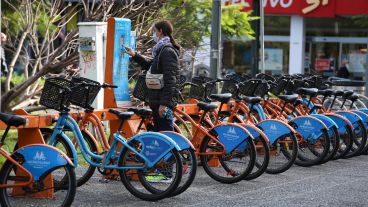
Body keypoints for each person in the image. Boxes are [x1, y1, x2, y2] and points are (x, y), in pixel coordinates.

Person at [125, 20, 180, 132]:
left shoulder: (167, 51)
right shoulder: (161, 50)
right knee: (160, 135)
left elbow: (171, 80)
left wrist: (164, 104)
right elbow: (150, 66)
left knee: (167, 135)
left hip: (163, 103)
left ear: (160, 31)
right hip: (157, 100)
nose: (154, 34)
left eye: (155, 31)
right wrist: (134, 55)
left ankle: (177, 150)